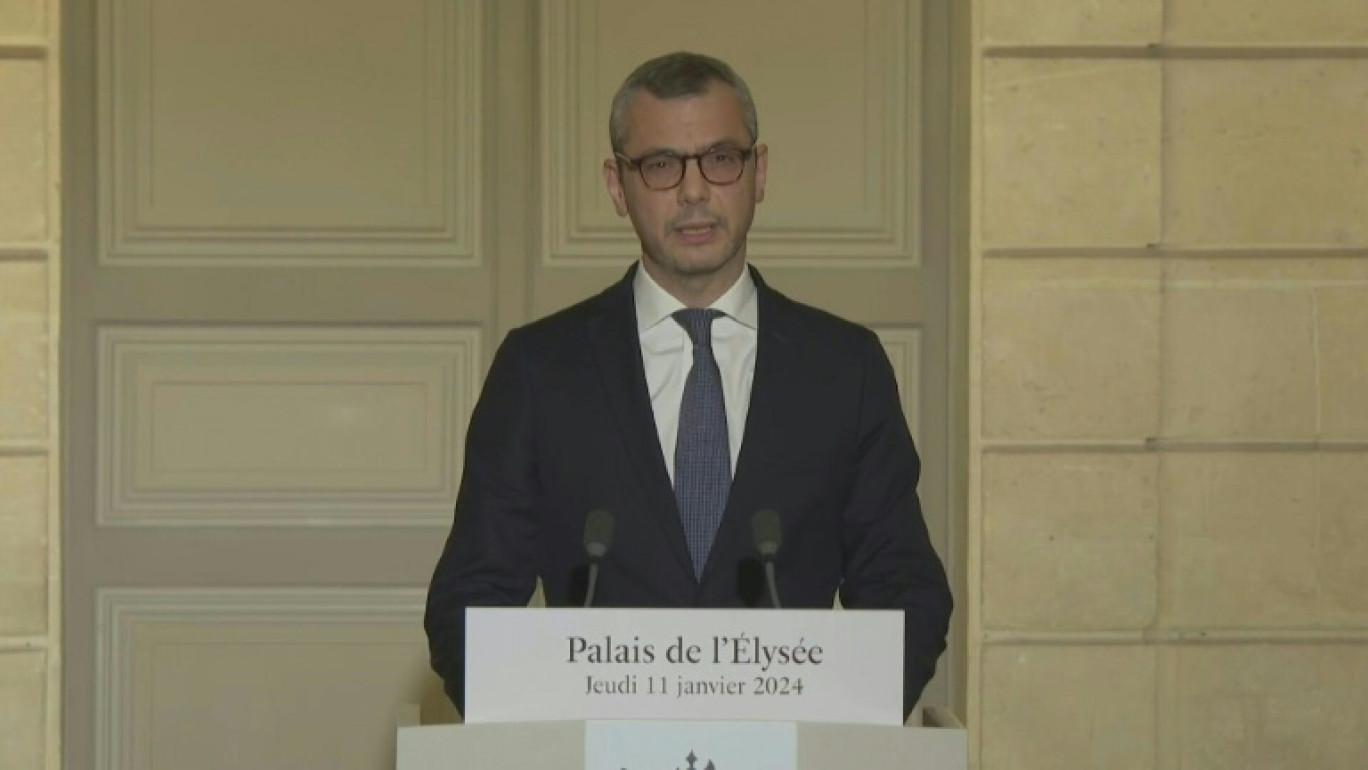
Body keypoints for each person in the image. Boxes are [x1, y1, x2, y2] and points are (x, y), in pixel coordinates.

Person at [425, 51, 952, 718]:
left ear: (759, 173)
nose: (695, 192)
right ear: (618, 187)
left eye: (721, 159)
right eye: (662, 165)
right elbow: (469, 602)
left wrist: (832, 731)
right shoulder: (539, 370)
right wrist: (553, 740)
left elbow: (906, 589)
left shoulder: (846, 368)